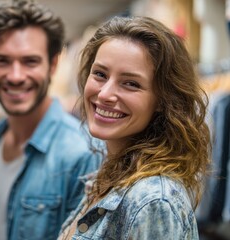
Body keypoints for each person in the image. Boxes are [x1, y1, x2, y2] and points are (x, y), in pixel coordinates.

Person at [58, 16, 211, 239]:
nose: (105, 94)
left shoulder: (154, 201)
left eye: (131, 83)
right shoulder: (107, 178)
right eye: (100, 74)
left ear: (162, 100)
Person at [0, 1, 102, 240]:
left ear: (53, 65)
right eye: (2, 61)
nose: (16, 76)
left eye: (30, 61)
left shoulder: (82, 155)